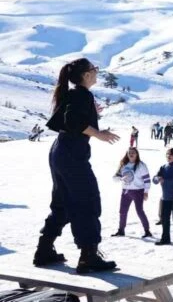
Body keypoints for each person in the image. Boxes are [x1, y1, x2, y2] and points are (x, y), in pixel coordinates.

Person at [34, 58, 120, 274]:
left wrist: (92, 119)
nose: (97, 72)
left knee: (62, 201)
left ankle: (44, 250)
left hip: (60, 151)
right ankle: (88, 256)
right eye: (94, 69)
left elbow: (70, 119)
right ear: (86, 75)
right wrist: (98, 134)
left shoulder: (75, 94)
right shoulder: (82, 94)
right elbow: (73, 120)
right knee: (87, 200)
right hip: (71, 153)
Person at [111, 147, 152, 238]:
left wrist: (146, 192)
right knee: (122, 211)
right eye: (129, 153)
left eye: (133, 152)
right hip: (126, 192)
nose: (131, 154)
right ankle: (121, 230)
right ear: (127, 154)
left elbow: (147, 180)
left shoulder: (141, 165)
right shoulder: (123, 165)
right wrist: (121, 178)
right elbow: (114, 178)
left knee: (139, 211)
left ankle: (147, 230)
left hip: (138, 192)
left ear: (137, 154)